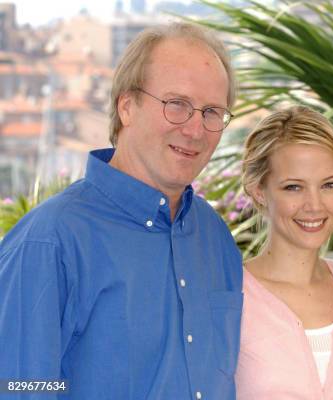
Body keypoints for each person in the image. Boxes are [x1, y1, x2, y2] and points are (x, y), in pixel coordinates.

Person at [0, 23, 242, 399]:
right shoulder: (48, 243)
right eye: (177, 105)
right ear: (127, 107)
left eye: (212, 112)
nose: (196, 129)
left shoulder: (215, 237)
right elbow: (18, 387)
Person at [236, 106, 333, 399]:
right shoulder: (229, 295)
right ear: (259, 190)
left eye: (329, 185)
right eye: (293, 187)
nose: (314, 205)